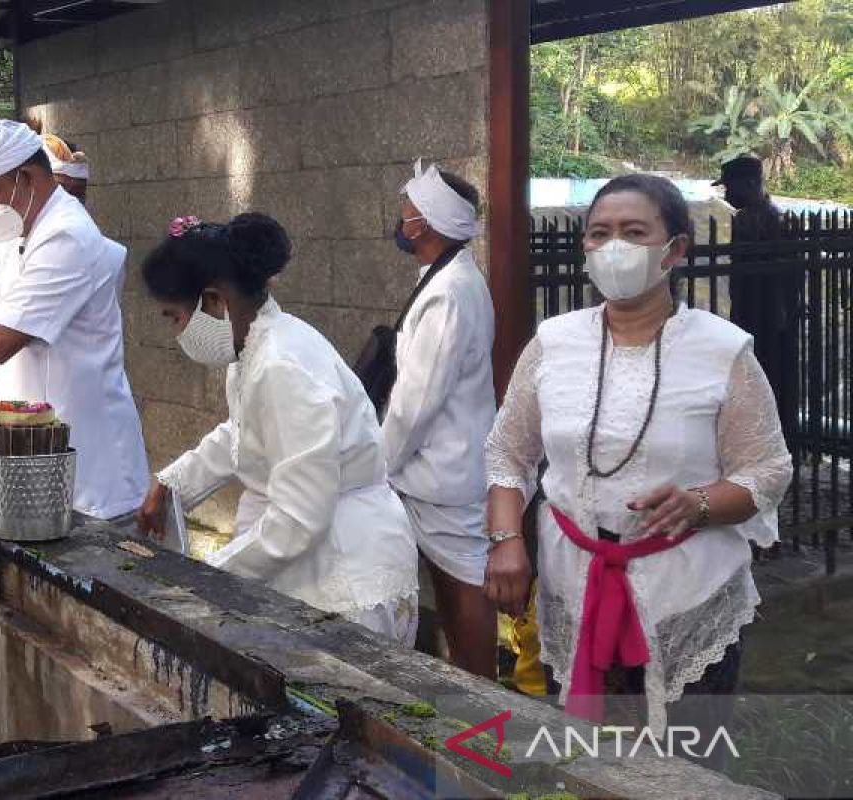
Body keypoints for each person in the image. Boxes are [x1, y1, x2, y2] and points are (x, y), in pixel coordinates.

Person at [483, 175, 791, 740]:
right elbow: (509, 452)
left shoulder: (723, 350)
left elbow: (767, 468)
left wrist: (701, 502)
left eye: (633, 231)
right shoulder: (553, 342)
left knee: (686, 764)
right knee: (588, 754)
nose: (614, 246)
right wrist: (507, 541)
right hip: (573, 585)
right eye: (599, 233)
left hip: (687, 593)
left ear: (674, 249)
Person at [136, 213, 420, 645]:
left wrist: (207, 580)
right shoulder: (254, 347)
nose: (176, 333)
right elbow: (242, 432)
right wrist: (174, 481)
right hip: (322, 569)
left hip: (346, 577)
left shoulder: (281, 365)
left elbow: (298, 518)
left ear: (214, 302)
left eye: (175, 317)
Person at [0, 120, 149, 523]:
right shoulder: (31, 235)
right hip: (40, 445)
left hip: (87, 460)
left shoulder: (65, 237)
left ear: (26, 177)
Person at [383, 161, 497, 677]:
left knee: (463, 588)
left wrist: (376, 465)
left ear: (424, 224)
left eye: (406, 211)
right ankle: (472, 697)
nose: (400, 219)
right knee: (451, 591)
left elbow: (415, 404)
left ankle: (484, 699)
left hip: (445, 476)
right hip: (436, 472)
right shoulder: (445, 278)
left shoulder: (449, 292)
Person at [717, 155, 799, 444]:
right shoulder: (760, 217)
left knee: (766, 380)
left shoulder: (761, 220)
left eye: (730, 187)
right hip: (760, 313)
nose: (726, 194)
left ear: (750, 184)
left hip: (764, 315)